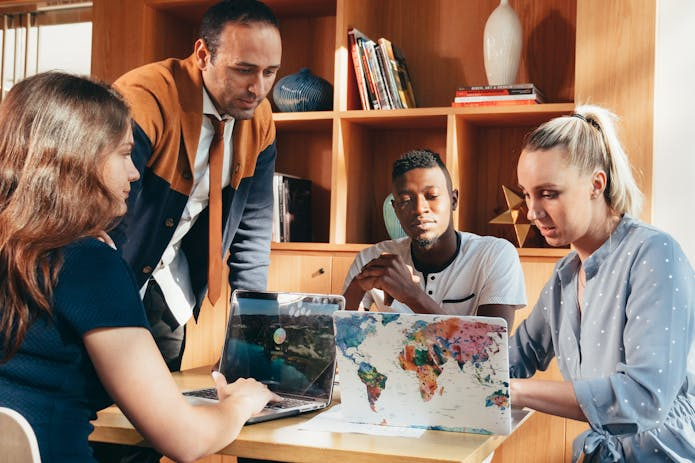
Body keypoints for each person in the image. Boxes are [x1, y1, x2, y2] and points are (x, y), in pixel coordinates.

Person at [0, 72, 279, 463]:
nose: (135, 171)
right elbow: (184, 439)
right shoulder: (86, 264)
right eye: (122, 153)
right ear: (78, 160)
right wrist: (242, 403)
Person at [510, 105, 695, 461]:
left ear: (597, 184)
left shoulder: (655, 254)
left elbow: (644, 397)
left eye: (548, 193)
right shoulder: (565, 276)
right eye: (527, 194)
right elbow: (514, 358)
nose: (532, 212)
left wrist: (514, 392)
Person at [109, 0, 282, 373]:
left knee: (160, 414)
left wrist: (253, 331)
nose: (258, 88)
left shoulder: (260, 120)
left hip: (170, 289)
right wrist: (105, 306)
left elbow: (251, 233)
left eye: (270, 72)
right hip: (113, 275)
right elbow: (107, 211)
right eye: (244, 70)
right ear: (203, 54)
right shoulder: (144, 97)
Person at [343, 149, 526, 328]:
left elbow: (490, 349)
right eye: (406, 200)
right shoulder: (373, 259)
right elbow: (337, 340)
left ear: (453, 200)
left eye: (432, 196)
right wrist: (357, 286)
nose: (419, 208)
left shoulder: (494, 255)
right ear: (396, 209)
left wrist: (411, 295)